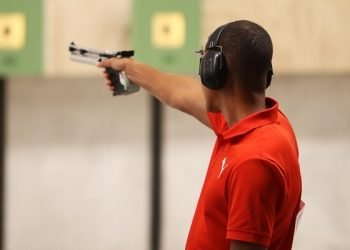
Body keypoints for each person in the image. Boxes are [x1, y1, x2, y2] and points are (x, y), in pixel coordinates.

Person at [98, 20, 303, 250]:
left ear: (213, 71)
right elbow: (179, 92)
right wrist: (130, 68)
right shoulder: (261, 123)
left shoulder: (253, 161)